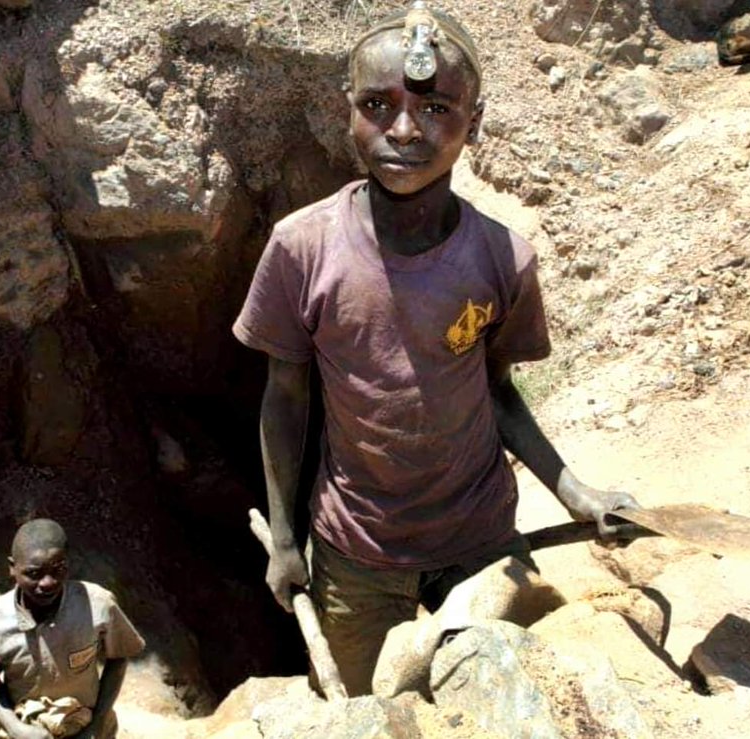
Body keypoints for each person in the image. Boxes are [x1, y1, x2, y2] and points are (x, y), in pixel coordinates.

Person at [232, 1, 639, 696]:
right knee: (358, 701)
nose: (403, 129)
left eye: (436, 109)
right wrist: (284, 537)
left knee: (504, 693)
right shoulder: (302, 248)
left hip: (479, 538)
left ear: (472, 124)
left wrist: (574, 492)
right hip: (356, 551)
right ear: (347, 112)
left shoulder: (501, 258)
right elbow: (286, 398)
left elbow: (497, 390)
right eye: (376, 104)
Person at [0, 519, 146, 739]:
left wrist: (97, 724)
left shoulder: (98, 604)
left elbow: (119, 657)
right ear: (12, 568)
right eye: (34, 573)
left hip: (89, 730)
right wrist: (15, 727)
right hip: (26, 732)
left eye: (58, 569)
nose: (48, 582)